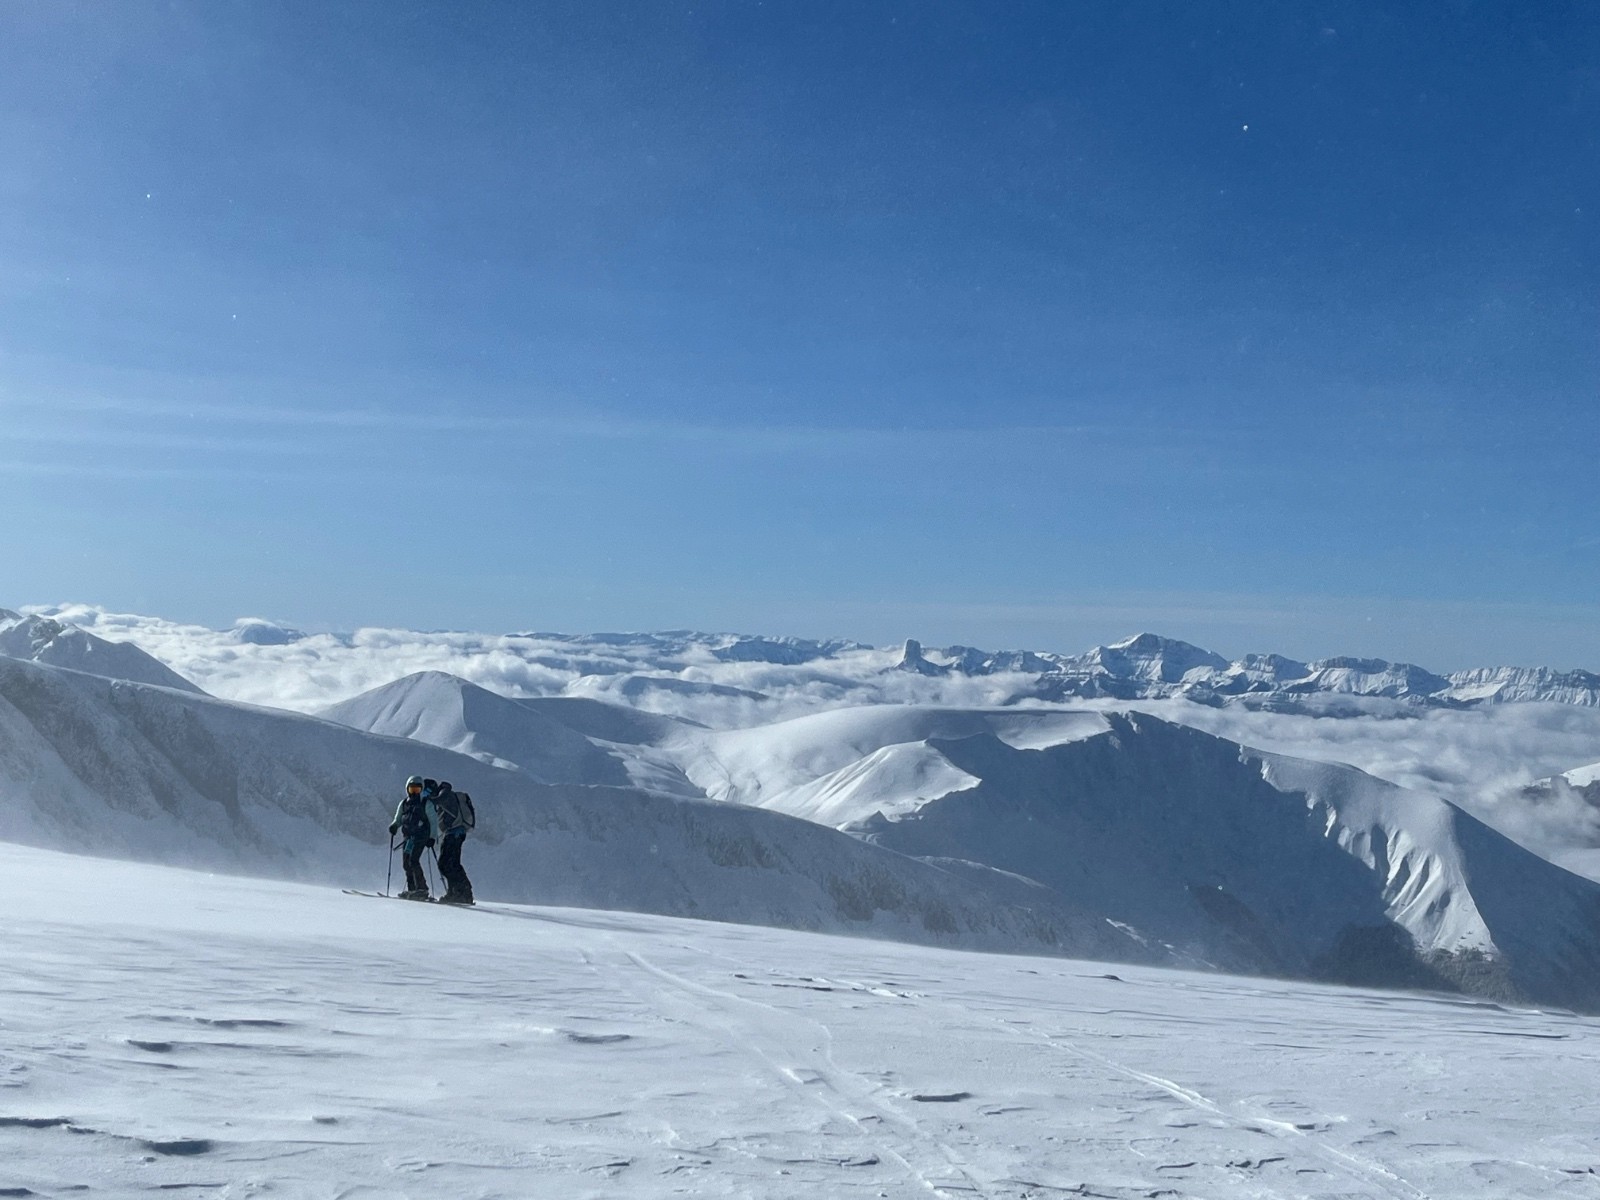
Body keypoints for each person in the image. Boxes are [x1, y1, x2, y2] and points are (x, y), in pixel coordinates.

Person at [388, 774, 437, 900]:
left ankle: (422, 889)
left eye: (417, 790)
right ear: (407, 789)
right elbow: (398, 819)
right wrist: (394, 826)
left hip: (421, 837)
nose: (414, 792)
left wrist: (432, 837)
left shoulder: (426, 804)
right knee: (406, 863)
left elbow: (433, 822)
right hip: (408, 837)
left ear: (421, 790)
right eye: (412, 789)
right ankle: (412, 889)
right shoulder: (404, 804)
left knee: (413, 860)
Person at [431, 780, 475, 905]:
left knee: (448, 863)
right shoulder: (447, 794)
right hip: (455, 833)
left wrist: (430, 800)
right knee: (449, 863)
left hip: (454, 834)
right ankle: (456, 893)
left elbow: (441, 801)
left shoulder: (445, 793)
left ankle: (462, 893)